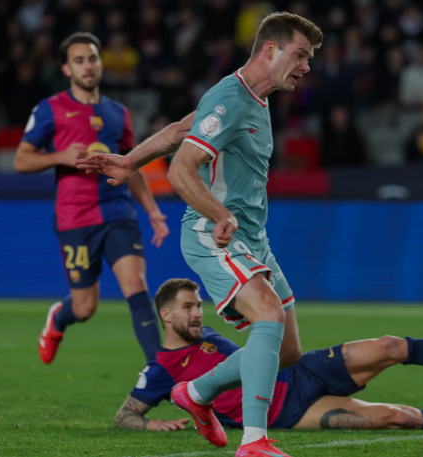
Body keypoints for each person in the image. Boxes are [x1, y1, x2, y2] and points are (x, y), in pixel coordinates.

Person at [79, 12, 323, 457]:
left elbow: (179, 131)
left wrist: (129, 161)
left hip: (252, 237)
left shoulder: (254, 98)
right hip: (212, 232)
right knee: (268, 314)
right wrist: (218, 214)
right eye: (301, 55)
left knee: (287, 351)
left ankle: (195, 393)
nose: (307, 66)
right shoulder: (231, 97)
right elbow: (180, 170)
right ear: (270, 50)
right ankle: (254, 442)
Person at [114, 278, 423, 432]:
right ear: (165, 315)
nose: (197, 313)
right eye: (188, 307)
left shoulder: (208, 336)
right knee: (400, 417)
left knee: (389, 345)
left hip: (300, 371)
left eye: (198, 306)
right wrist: (153, 425)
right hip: (289, 412)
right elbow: (124, 417)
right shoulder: (160, 369)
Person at [14, 32, 168, 365]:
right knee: (85, 307)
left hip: (118, 211)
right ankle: (59, 317)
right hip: (75, 217)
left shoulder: (118, 113)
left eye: (92, 59)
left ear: (100, 64)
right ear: (66, 69)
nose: (87, 66)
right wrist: (59, 157)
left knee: (136, 283)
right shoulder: (50, 109)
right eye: (79, 60)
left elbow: (130, 166)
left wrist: (153, 211)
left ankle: (159, 374)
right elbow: (21, 160)